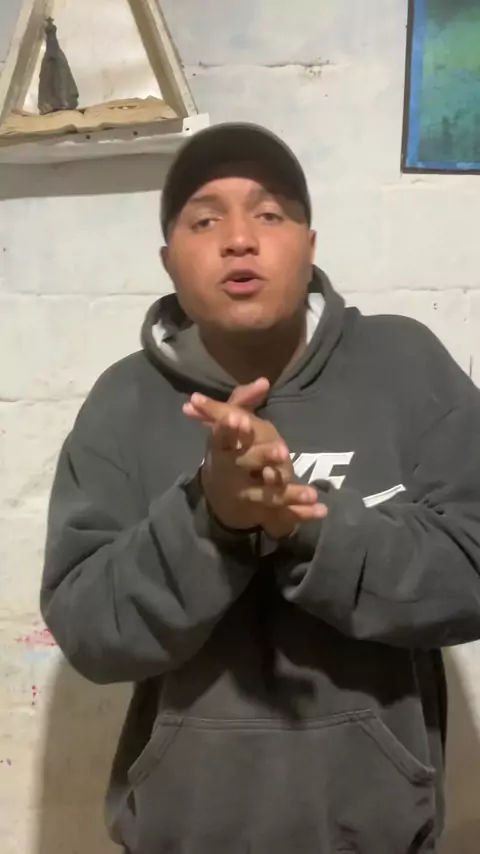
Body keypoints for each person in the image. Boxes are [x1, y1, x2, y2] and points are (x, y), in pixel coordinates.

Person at [41, 122, 480, 854]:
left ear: (310, 244)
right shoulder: (123, 401)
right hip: (183, 835)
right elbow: (88, 627)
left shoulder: (404, 364)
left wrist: (306, 525)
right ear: (168, 259)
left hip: (379, 834)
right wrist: (210, 519)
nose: (239, 240)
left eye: (270, 214)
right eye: (204, 220)